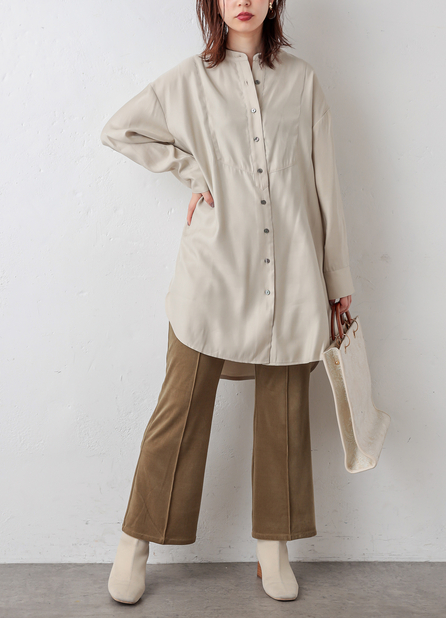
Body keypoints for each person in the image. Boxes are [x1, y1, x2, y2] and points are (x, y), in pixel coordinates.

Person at [100, 0, 354, 605]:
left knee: (285, 409)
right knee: (181, 407)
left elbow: (326, 184)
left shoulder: (303, 81)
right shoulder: (189, 80)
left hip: (291, 270)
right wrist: (190, 170)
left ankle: (274, 549)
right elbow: (120, 129)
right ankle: (135, 544)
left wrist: (337, 277)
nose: (243, 1)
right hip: (214, 268)